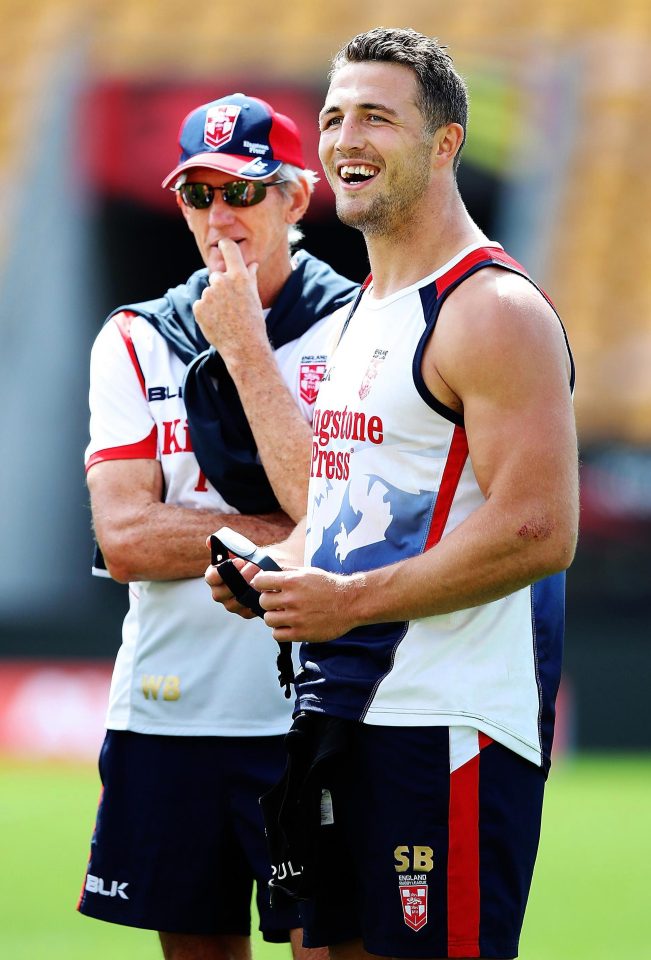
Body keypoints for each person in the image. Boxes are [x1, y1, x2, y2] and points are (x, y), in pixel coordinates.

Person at [206, 29, 579, 960]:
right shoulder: (363, 311)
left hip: (442, 725)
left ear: (444, 143)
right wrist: (278, 570)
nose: (345, 139)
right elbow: (343, 522)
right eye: (333, 118)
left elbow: (537, 529)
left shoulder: (491, 309)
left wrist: (346, 604)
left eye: (377, 116)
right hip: (343, 712)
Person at [77, 91, 357, 960]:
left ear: (296, 200)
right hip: (171, 714)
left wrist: (241, 344)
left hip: (323, 716)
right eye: (198, 195)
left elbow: (340, 525)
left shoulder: (362, 327)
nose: (217, 215)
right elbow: (125, 541)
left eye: (242, 190)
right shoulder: (133, 337)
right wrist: (281, 524)